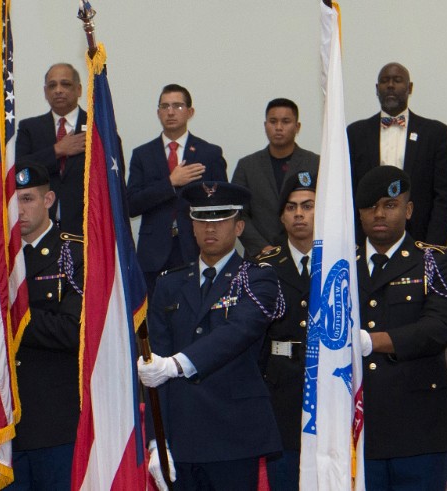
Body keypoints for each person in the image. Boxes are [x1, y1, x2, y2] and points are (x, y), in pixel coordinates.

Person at [138, 181, 281, 491]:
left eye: (220, 220)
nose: (209, 228)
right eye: (201, 220)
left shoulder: (258, 279)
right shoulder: (169, 283)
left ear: (239, 226)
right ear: (191, 226)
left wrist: (176, 365)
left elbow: (238, 332)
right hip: (181, 436)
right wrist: (154, 441)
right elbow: (153, 370)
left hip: (234, 434)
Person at [0, 162, 85, 489]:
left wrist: (11, 318)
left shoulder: (73, 253)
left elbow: (74, 331)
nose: (20, 210)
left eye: (28, 199)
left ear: (49, 200)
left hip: (55, 423)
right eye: (13, 201)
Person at [354, 166, 447, 490]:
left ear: (408, 209)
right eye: (370, 206)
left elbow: (440, 327)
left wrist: (370, 341)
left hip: (419, 429)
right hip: (359, 429)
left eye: (389, 205)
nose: (379, 214)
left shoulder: (437, 262)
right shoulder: (341, 265)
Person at [127, 84, 228, 292]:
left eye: (177, 106)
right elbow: (131, 205)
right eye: (164, 106)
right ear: (158, 113)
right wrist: (170, 183)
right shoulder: (142, 155)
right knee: (157, 320)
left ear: (190, 112)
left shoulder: (209, 153)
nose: (170, 112)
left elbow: (222, 205)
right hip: (154, 254)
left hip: (197, 248)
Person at [254, 170, 317, 490]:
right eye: (291, 207)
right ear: (281, 216)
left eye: (308, 205)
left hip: (328, 386)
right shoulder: (264, 268)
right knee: (285, 477)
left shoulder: (343, 262)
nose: (299, 214)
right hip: (281, 386)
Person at [347, 62, 447, 246]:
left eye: (397, 80)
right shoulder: (356, 133)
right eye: (384, 81)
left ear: (410, 87)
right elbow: (348, 190)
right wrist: (354, 241)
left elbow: (443, 195)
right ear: (376, 88)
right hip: (366, 240)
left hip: (419, 238)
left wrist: (433, 246)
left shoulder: (435, 133)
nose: (390, 85)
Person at [232, 98, 320, 257]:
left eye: (286, 121)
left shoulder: (316, 163)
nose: (279, 127)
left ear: (297, 127)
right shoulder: (247, 166)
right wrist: (262, 248)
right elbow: (238, 214)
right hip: (260, 256)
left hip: (306, 254)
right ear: (265, 125)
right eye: (273, 121)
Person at [17, 63, 90, 235]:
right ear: (45, 92)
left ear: (79, 90)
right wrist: (57, 150)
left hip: (86, 231)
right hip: (40, 230)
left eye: (65, 84)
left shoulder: (99, 127)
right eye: (52, 85)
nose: (58, 90)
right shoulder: (30, 128)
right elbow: (19, 171)